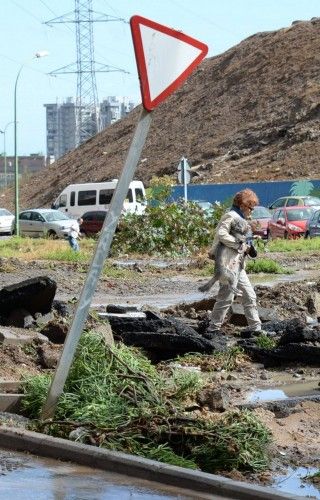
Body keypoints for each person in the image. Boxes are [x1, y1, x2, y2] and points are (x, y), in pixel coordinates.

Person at [207, 188, 261, 335]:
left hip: (238, 265)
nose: (252, 211)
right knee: (226, 297)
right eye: (251, 208)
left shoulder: (241, 219)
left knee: (249, 295)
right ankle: (213, 329)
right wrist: (239, 244)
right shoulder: (230, 216)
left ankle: (255, 328)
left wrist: (249, 246)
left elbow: (243, 241)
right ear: (243, 205)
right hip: (227, 264)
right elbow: (221, 234)